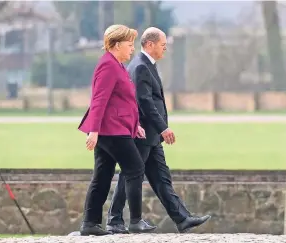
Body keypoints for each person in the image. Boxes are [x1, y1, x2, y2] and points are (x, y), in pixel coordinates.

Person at [105, 27, 211, 234]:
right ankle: (114, 220)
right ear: (150, 44)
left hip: (151, 136)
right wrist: (163, 128)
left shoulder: (146, 65)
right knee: (130, 174)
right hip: (143, 134)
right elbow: (144, 102)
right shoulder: (141, 67)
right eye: (163, 45)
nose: (165, 49)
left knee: (161, 177)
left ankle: (182, 219)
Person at [77, 24, 156, 236]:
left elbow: (124, 101)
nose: (132, 49)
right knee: (135, 168)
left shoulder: (117, 65)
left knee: (103, 175)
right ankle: (136, 221)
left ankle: (90, 224)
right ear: (116, 45)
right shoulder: (108, 66)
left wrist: (135, 125)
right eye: (129, 45)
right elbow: (99, 100)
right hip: (110, 130)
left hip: (116, 128)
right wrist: (93, 130)